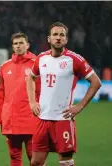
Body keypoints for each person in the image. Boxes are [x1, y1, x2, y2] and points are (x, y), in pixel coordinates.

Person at [26, 22, 102, 166]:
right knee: (35, 162)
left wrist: (79, 106)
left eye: (62, 35)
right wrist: (32, 101)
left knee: (65, 162)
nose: (58, 38)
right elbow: (30, 77)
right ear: (49, 39)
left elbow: (96, 82)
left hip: (63, 119)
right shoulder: (41, 58)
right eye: (55, 34)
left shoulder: (74, 59)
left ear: (66, 40)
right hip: (42, 118)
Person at [0, 32, 40, 166]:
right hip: (11, 120)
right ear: (12, 47)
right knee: (14, 157)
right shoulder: (5, 66)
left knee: (35, 158)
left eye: (21, 43)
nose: (18, 46)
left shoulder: (37, 64)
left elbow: (43, 91)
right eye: (15, 44)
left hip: (32, 118)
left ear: (27, 45)